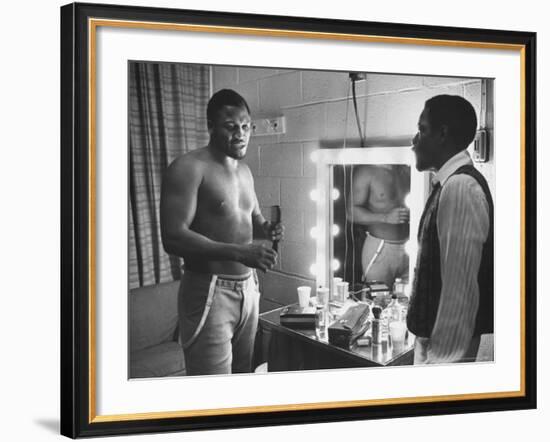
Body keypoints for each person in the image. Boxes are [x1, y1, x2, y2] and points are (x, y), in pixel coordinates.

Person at [160, 89, 283, 376]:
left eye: (245, 126)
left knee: (241, 378)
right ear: (210, 126)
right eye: (230, 127)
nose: (240, 134)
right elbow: (172, 236)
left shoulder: (245, 172)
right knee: (212, 391)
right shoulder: (189, 168)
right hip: (210, 290)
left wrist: (267, 228)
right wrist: (240, 251)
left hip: (248, 288)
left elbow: (253, 218)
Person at [406, 94, 494, 364]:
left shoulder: (460, 188)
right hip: (434, 346)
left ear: (442, 134)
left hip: (445, 356)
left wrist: (440, 365)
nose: (414, 141)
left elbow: (460, 296)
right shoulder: (449, 185)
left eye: (422, 130)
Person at [348, 164, 410, 288]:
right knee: (378, 301)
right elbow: (351, 212)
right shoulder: (367, 172)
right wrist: (385, 217)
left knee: (409, 301)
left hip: (409, 247)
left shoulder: (407, 169)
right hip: (380, 248)